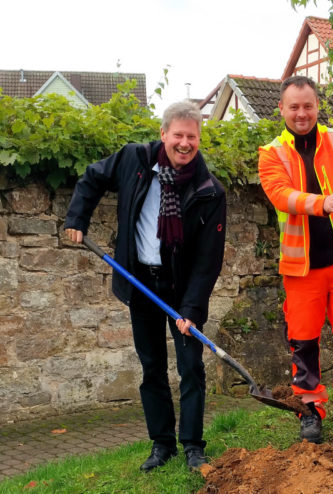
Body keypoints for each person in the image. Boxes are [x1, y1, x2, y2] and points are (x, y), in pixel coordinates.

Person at [64, 101, 226, 472]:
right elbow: (92, 178)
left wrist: (191, 309)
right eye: (178, 135)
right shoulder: (133, 160)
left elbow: (208, 260)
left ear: (199, 139)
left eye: (192, 137)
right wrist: (77, 217)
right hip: (141, 282)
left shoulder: (209, 191)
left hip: (181, 289)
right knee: (151, 366)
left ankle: (192, 447)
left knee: (191, 368)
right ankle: (161, 444)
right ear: (164, 134)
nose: (185, 143)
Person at [258, 75, 333, 443]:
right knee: (303, 343)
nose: (301, 113)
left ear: (317, 106)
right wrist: (322, 203)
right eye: (294, 107)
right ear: (281, 108)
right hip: (301, 269)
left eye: (308, 106)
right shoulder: (271, 153)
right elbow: (281, 195)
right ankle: (310, 411)